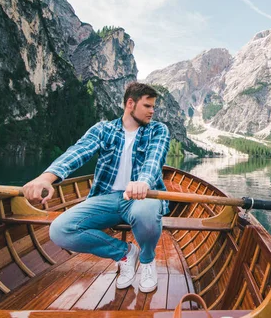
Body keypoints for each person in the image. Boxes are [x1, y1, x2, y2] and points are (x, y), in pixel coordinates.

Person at [22, 82, 170, 292]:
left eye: (153, 106)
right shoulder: (104, 129)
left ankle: (147, 260)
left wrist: (143, 182)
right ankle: (125, 253)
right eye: (147, 106)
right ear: (130, 103)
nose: (152, 111)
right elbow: (78, 152)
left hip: (141, 197)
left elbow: (154, 161)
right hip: (106, 198)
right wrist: (46, 177)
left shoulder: (158, 130)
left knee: (146, 213)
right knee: (59, 231)